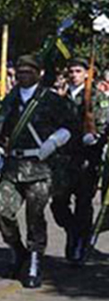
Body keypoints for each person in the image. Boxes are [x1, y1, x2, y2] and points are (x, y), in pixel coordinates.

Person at [0, 54, 76, 288]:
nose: (23, 74)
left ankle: (34, 259)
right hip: (13, 166)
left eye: (29, 70)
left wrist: (54, 141)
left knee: (35, 216)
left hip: (40, 167)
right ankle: (18, 250)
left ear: (40, 73)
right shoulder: (9, 100)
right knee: (3, 212)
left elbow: (70, 126)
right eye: (20, 71)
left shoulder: (50, 100)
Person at [50, 57, 109, 264]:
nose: (74, 75)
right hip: (64, 160)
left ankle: (80, 244)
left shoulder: (95, 96)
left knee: (83, 204)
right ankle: (72, 230)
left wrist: (94, 138)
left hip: (86, 159)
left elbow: (103, 125)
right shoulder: (61, 98)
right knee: (58, 203)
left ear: (86, 73)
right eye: (71, 71)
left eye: (78, 71)